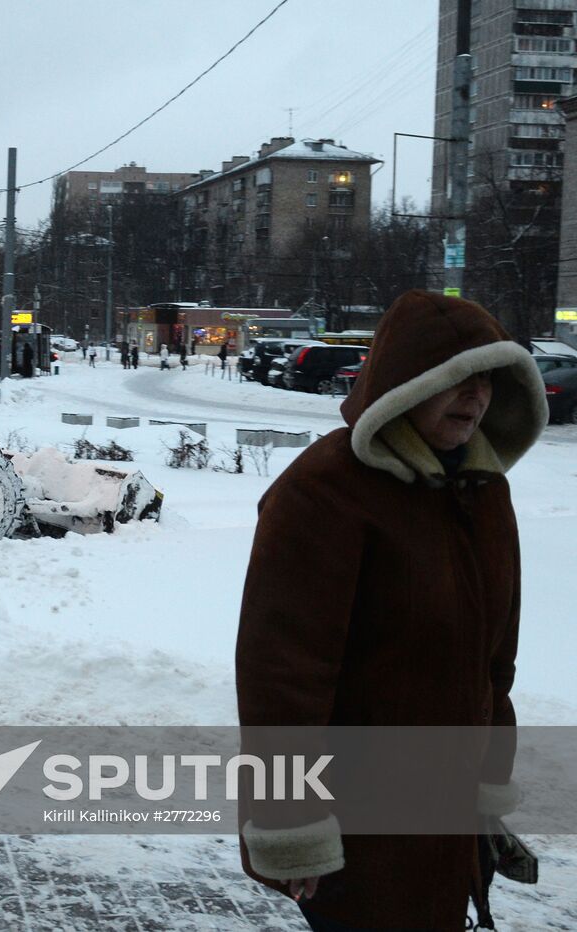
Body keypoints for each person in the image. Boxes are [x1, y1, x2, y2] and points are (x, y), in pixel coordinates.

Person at [235, 290, 547, 931]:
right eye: (455, 378)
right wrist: (293, 824)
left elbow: (497, 662)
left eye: (486, 377)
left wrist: (489, 785)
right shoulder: (324, 492)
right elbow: (282, 683)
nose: (475, 395)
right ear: (407, 383)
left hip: (452, 819)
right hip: (361, 825)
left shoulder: (483, 489)